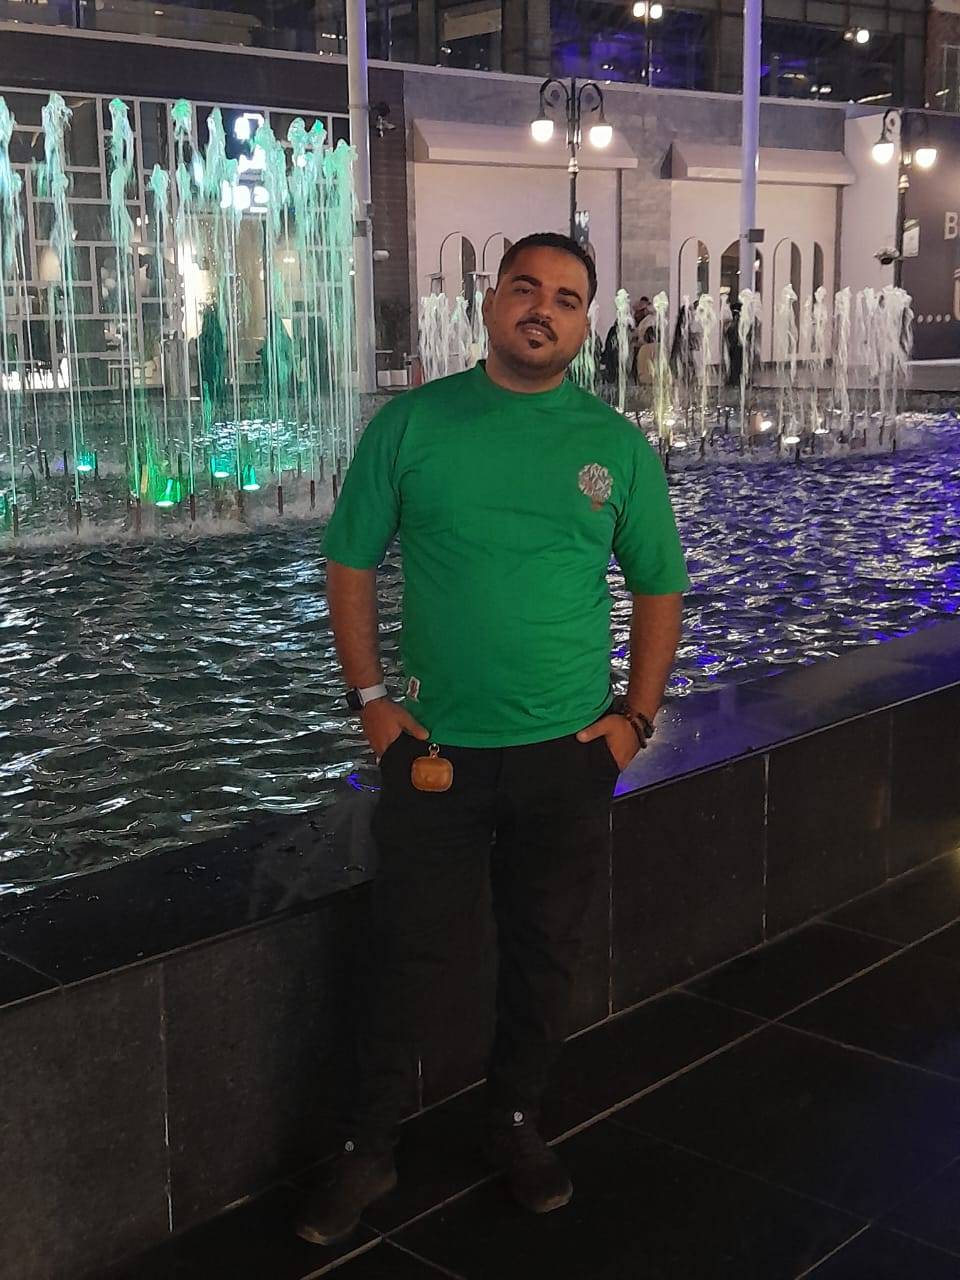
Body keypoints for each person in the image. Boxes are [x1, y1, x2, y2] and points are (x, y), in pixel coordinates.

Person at [298, 233, 688, 1244]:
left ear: (585, 323)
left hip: (568, 754)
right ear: (490, 300)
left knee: (544, 954)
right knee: (401, 952)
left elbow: (660, 585)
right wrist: (370, 699)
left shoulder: (614, 446)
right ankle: (369, 1146)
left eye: (566, 297)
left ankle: (514, 1120)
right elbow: (348, 561)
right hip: (434, 753)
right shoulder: (414, 423)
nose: (542, 308)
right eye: (525, 287)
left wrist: (634, 721)